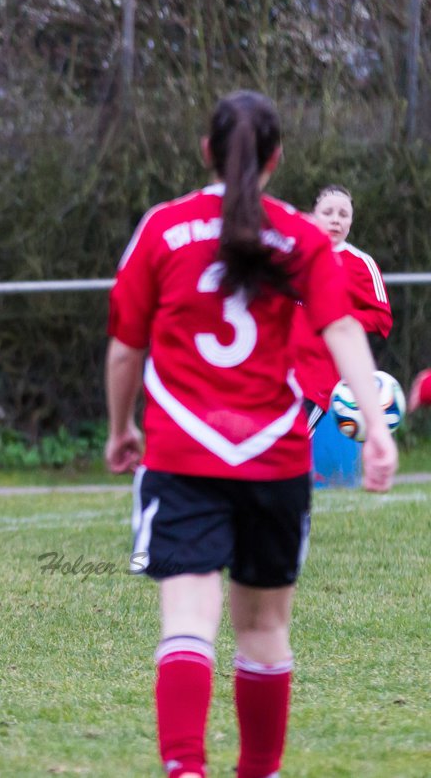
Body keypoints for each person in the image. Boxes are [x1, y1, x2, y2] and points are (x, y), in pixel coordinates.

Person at [104, 91, 397, 778]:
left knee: (187, 628)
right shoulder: (298, 235)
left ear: (206, 151)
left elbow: (124, 348)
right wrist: (377, 428)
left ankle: (185, 769)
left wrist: (121, 429)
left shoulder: (162, 227)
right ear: (277, 159)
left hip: (181, 455)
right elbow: (344, 328)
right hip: (273, 457)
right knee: (264, 632)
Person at [289, 185, 392, 432]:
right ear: (314, 216)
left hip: (316, 382)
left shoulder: (361, 264)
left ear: (351, 222)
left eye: (343, 214)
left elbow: (382, 320)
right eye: (328, 212)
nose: (336, 219)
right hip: (276, 373)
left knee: (290, 445)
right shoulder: (290, 254)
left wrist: (337, 318)